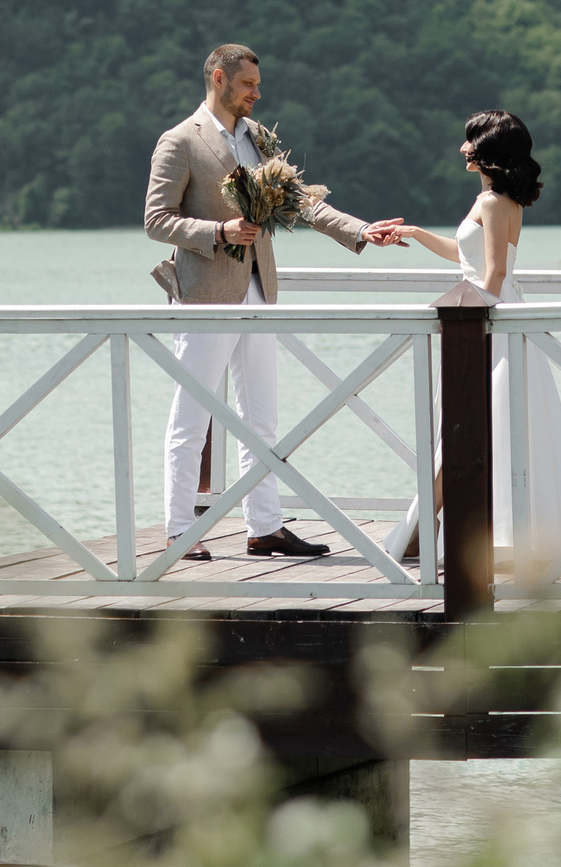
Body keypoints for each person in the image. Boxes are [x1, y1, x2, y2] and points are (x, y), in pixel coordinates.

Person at [144, 42, 405, 561]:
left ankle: (264, 527)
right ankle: (179, 531)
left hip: (260, 292)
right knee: (191, 419)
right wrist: (219, 230)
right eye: (248, 85)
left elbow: (303, 200)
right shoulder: (178, 141)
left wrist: (360, 230)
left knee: (261, 418)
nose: (256, 94)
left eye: (257, 85)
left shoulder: (258, 139)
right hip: (205, 298)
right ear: (219, 78)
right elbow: (157, 220)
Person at [384, 109, 561, 576]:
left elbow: (495, 271)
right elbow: (467, 256)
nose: (462, 148)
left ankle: (425, 533)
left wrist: (479, 329)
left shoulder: (496, 202)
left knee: (471, 429)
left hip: (491, 319)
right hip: (490, 310)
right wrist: (416, 234)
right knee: (484, 429)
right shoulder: (491, 199)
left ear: (489, 153)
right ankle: (433, 531)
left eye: (470, 141)